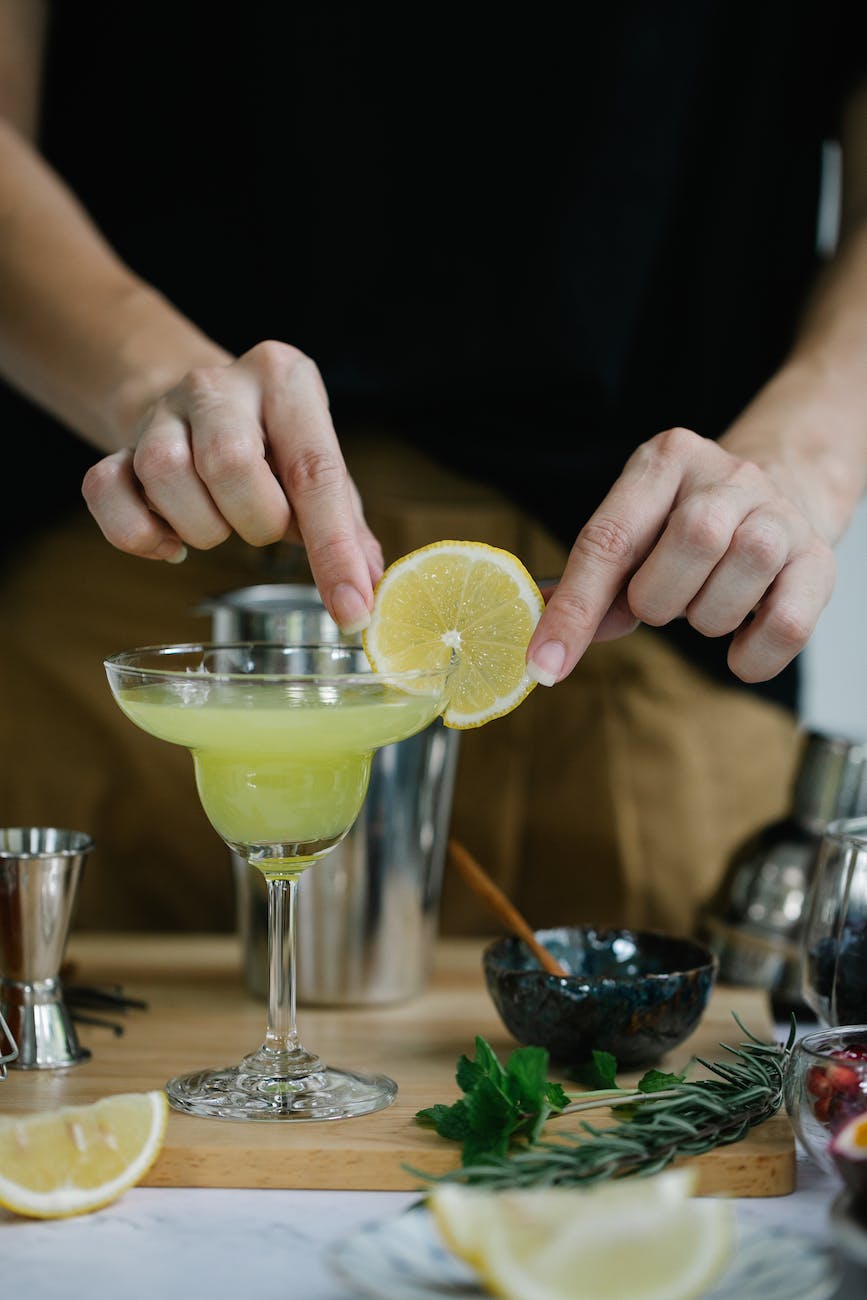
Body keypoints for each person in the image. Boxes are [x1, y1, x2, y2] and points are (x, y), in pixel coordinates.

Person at [1, 1, 865, 937]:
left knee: (635, 1074)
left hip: (632, 614)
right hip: (143, 566)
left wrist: (797, 461)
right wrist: (147, 380)